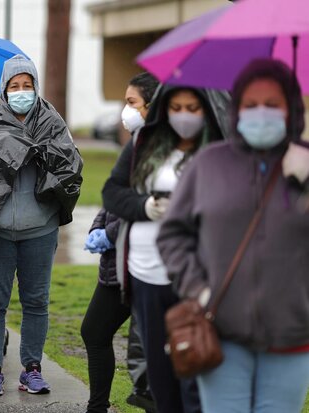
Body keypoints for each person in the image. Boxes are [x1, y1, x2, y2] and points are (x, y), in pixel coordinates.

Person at [157, 59, 309, 413]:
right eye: (251, 105)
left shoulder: (305, 163)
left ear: (291, 109)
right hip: (220, 330)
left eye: (272, 105)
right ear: (236, 108)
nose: (261, 113)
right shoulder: (209, 163)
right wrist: (198, 288)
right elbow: (173, 235)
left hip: (293, 332)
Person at [0, 55, 83, 396]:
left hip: (40, 227)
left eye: (27, 86)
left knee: (36, 302)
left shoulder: (52, 122)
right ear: (5, 89)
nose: (21, 92)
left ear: (36, 88)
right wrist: (15, 149)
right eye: (15, 86)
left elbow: (70, 165)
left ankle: (32, 368)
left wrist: (41, 153)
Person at [102, 83, 230, 413]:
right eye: (176, 108)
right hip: (146, 276)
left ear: (206, 110)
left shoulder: (217, 149)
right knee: (160, 379)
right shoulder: (144, 143)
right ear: (163, 109)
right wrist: (148, 206)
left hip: (195, 278)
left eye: (192, 109)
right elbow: (113, 193)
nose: (184, 117)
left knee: (195, 372)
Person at [81, 72, 158, 413]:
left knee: (148, 353)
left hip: (143, 265)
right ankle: (97, 407)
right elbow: (112, 197)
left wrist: (110, 236)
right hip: (117, 264)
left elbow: (150, 205)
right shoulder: (134, 145)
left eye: (131, 103)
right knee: (94, 332)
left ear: (152, 107)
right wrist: (98, 229)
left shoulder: (161, 153)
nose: (125, 112)